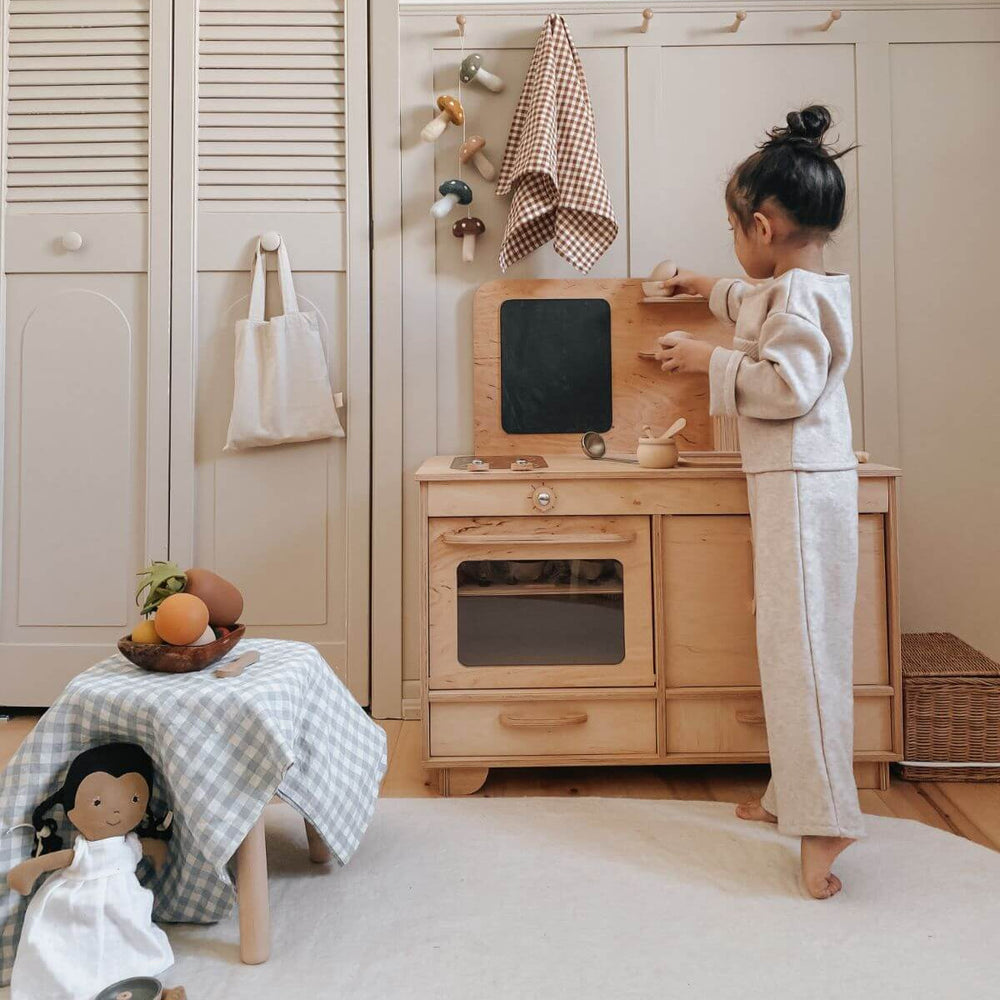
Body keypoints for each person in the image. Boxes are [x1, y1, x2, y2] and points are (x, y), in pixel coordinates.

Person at [657, 105, 862, 899]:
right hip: (797, 490)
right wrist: (710, 291)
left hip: (804, 491)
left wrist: (709, 361)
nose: (735, 251)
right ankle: (797, 795)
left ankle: (827, 817)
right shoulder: (796, 287)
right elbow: (756, 305)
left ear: (764, 227)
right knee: (788, 644)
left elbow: (787, 385)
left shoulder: (799, 298)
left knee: (801, 653)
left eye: (735, 235)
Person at [7, 743, 174, 998]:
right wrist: (31, 870)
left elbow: (146, 848)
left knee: (129, 933)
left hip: (123, 901)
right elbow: (63, 859)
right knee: (73, 941)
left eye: (134, 799)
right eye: (97, 801)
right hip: (79, 900)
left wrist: (159, 851)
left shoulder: (129, 843)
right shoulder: (84, 850)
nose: (118, 810)